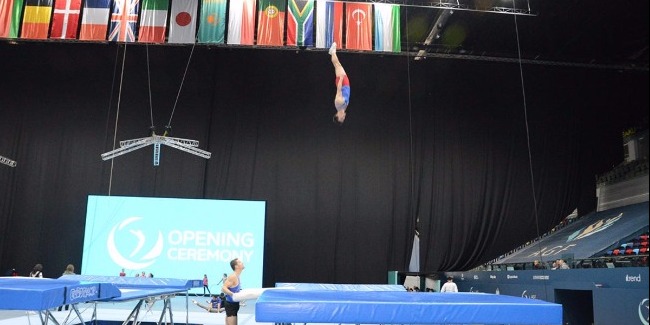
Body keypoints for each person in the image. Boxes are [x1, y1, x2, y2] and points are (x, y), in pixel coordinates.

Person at [328, 42, 350, 124]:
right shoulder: (343, 108)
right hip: (346, 84)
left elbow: (339, 90)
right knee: (338, 65)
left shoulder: (338, 103)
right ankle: (332, 52)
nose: (344, 117)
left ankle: (332, 52)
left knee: (337, 65)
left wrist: (341, 79)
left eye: (342, 118)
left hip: (343, 83)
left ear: (337, 115)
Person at [222, 258, 245, 325]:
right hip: (230, 305)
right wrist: (233, 295)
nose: (242, 263)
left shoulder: (237, 276)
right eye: (240, 262)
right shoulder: (233, 276)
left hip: (233, 304)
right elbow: (223, 288)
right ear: (236, 266)